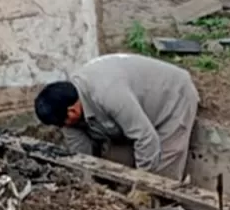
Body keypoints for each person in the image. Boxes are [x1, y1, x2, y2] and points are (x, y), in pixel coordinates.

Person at [34, 54, 200, 182]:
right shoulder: (69, 103)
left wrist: (142, 185)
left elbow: (146, 138)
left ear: (72, 112)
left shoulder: (108, 94)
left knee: (162, 174)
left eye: (63, 124)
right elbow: (80, 152)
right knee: (120, 161)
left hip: (172, 97)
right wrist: (87, 183)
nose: (64, 128)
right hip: (137, 105)